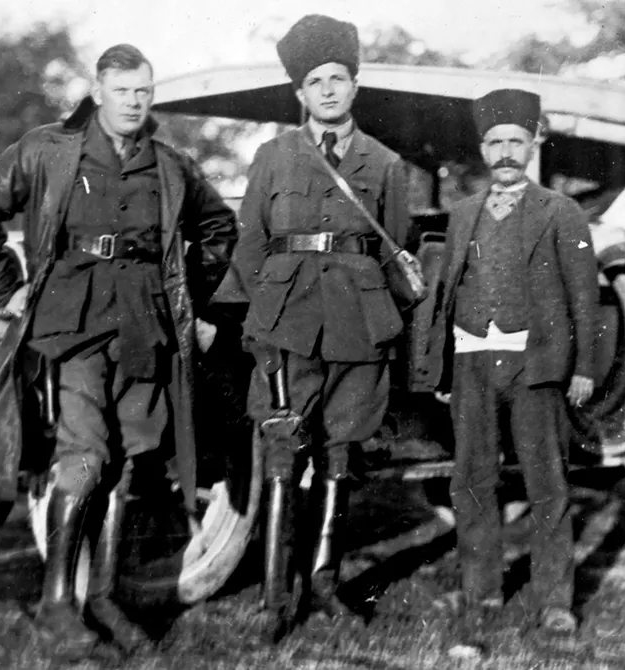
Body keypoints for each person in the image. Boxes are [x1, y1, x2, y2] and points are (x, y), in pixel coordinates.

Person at [0, 44, 236, 659]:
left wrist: (192, 302)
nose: (135, 101)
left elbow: (219, 229)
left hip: (143, 325)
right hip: (70, 322)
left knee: (129, 461)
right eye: (123, 90)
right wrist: (1, 288)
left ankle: (103, 595)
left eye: (144, 91)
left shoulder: (171, 164)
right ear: (99, 91)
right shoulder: (48, 149)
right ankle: (57, 604)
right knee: (85, 453)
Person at [233, 14, 410, 630]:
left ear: (355, 85)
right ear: (300, 93)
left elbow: (395, 250)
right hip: (288, 323)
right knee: (283, 449)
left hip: (359, 324)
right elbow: (250, 243)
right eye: (316, 81)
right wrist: (265, 318)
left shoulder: (385, 164)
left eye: (339, 77)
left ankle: (326, 581)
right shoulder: (274, 156)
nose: (329, 90)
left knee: (342, 450)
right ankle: (275, 598)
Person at [429, 88, 599, 647]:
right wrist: (440, 367)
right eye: (496, 142)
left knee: (547, 484)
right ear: (483, 147)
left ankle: (555, 600)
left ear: (534, 143)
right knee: (472, 481)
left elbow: (583, 295)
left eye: (516, 142)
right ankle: (482, 589)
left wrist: (583, 368)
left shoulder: (561, 210)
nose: (505, 151)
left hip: (538, 363)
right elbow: (446, 290)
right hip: (472, 360)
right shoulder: (462, 215)